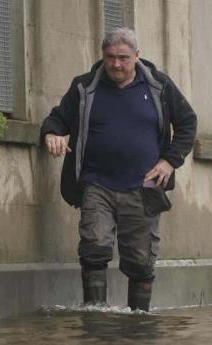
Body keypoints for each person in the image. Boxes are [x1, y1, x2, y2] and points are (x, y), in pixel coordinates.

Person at [40, 27, 197, 312]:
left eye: (123, 58)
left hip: (144, 186)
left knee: (140, 260)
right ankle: (95, 314)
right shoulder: (85, 87)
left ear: (137, 56)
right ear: (102, 56)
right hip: (96, 183)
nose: (116, 64)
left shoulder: (159, 87)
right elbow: (58, 118)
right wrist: (52, 133)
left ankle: (138, 321)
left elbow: (187, 123)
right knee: (94, 245)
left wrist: (169, 161)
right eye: (110, 57)